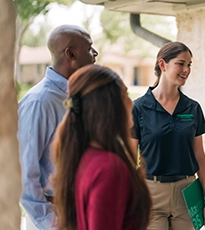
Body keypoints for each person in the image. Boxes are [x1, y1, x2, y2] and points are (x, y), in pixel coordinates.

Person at [51, 64, 151, 230]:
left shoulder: (84, 156)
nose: (131, 103)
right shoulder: (110, 168)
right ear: (110, 106)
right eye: (125, 95)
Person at [18, 24, 98, 229]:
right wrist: (51, 223)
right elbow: (25, 171)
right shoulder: (40, 102)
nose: (95, 53)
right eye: (90, 48)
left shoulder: (81, 96)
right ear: (71, 54)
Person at [131, 41, 205, 230]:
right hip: (151, 192)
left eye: (189, 65)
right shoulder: (138, 108)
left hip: (187, 192)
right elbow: (129, 158)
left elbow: (200, 157)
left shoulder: (193, 108)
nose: (186, 69)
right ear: (163, 65)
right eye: (181, 63)